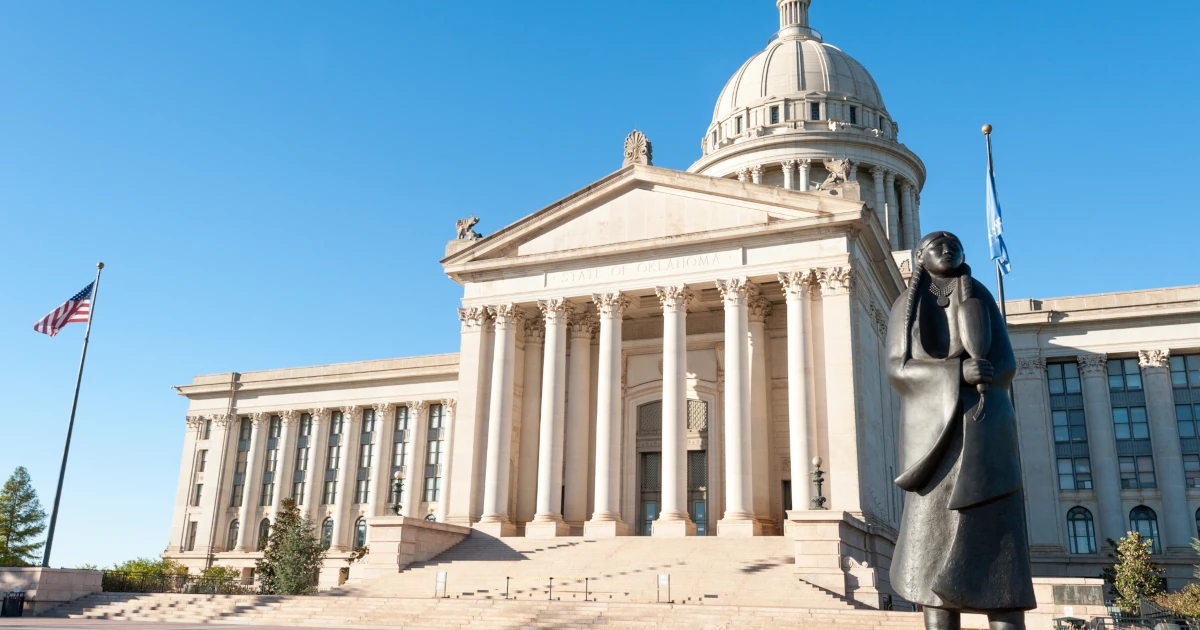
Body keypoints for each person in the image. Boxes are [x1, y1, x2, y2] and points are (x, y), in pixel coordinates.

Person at [886, 231, 1035, 630]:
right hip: (935, 444)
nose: (948, 249)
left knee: (998, 555)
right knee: (932, 565)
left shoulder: (981, 296)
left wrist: (984, 374)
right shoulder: (906, 305)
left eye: (955, 245)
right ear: (919, 256)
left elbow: (1005, 360)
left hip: (985, 436)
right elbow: (897, 369)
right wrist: (956, 372)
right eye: (938, 245)